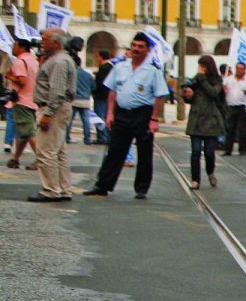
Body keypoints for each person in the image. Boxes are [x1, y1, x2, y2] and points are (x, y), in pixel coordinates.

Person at [84, 33, 170, 199]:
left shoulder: (152, 71)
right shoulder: (120, 67)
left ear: (147, 50)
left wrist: (154, 119)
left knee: (145, 153)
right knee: (115, 150)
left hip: (143, 114)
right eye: (134, 45)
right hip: (122, 113)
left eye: (140, 46)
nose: (136, 49)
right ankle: (103, 185)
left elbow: (159, 96)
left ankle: (141, 188)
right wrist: (110, 113)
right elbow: (112, 91)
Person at [26, 28, 77, 203]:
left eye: (45, 39)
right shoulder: (58, 59)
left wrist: (47, 114)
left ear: (56, 42)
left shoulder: (58, 62)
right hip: (59, 108)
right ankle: (63, 188)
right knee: (58, 151)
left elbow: (57, 91)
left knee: (46, 151)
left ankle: (50, 189)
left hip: (52, 107)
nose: (41, 41)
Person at [183, 54, 227, 191]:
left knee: (209, 152)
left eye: (203, 66)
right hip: (196, 119)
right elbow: (189, 97)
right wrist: (186, 94)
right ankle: (195, 179)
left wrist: (201, 79)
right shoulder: (195, 79)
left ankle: (210, 171)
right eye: (199, 66)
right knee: (195, 151)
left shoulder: (217, 80)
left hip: (211, 120)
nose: (200, 69)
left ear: (209, 67)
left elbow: (214, 93)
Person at [8, 36, 39, 170]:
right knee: (23, 133)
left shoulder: (20, 61)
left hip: (22, 100)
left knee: (29, 132)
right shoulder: (34, 60)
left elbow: (22, 81)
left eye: (15, 46)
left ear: (22, 48)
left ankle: (41, 159)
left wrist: (9, 76)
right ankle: (15, 159)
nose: (13, 48)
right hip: (33, 99)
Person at [221, 63, 246, 155]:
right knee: (229, 129)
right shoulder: (228, 79)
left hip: (243, 106)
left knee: (242, 129)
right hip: (231, 106)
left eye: (241, 69)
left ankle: (242, 149)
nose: (239, 70)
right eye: (237, 68)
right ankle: (228, 149)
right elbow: (223, 90)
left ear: (244, 70)